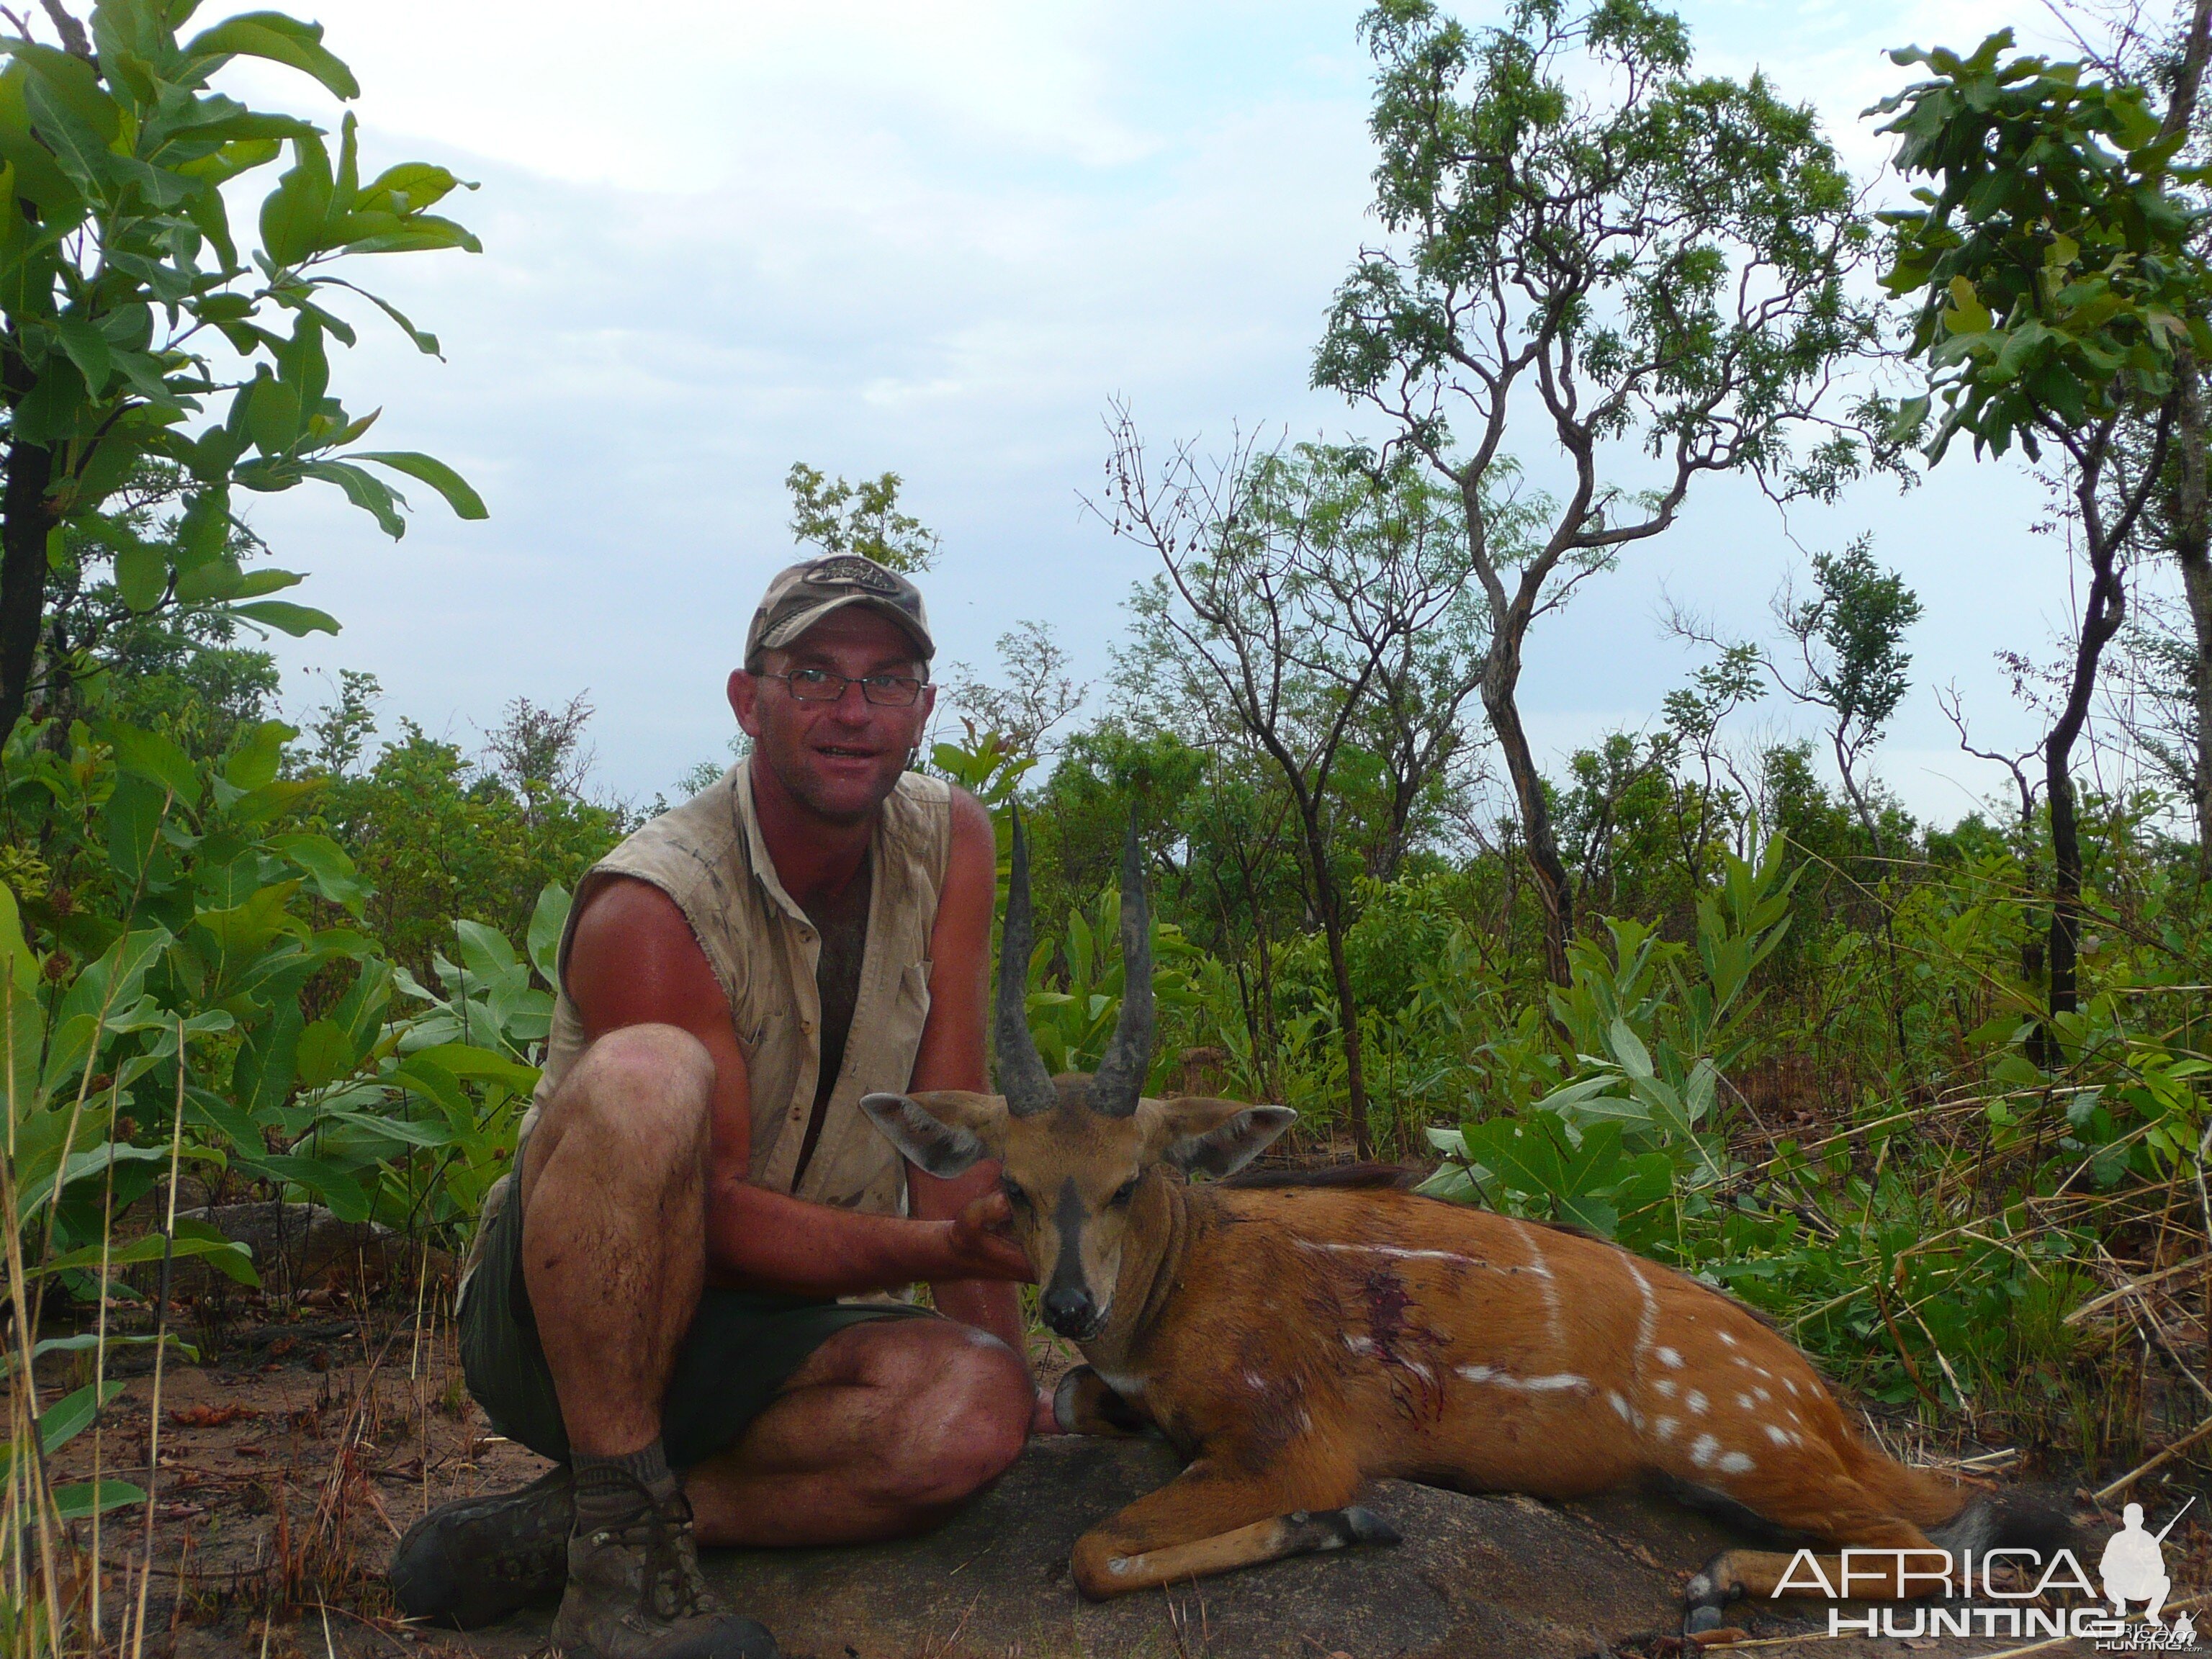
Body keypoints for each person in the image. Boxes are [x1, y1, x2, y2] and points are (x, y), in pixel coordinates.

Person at [390, 554, 1046, 1659]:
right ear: (750, 701)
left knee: (976, 1416)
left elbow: (949, 1129)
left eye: (887, 682)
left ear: (924, 711)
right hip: (575, 1318)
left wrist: (1017, 1380)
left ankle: (582, 1528)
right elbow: (720, 1218)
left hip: (774, 1330)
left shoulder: (950, 841)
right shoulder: (653, 898)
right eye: (814, 677)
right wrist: (936, 1241)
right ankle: (619, 1585)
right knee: (646, 1077)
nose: (851, 712)